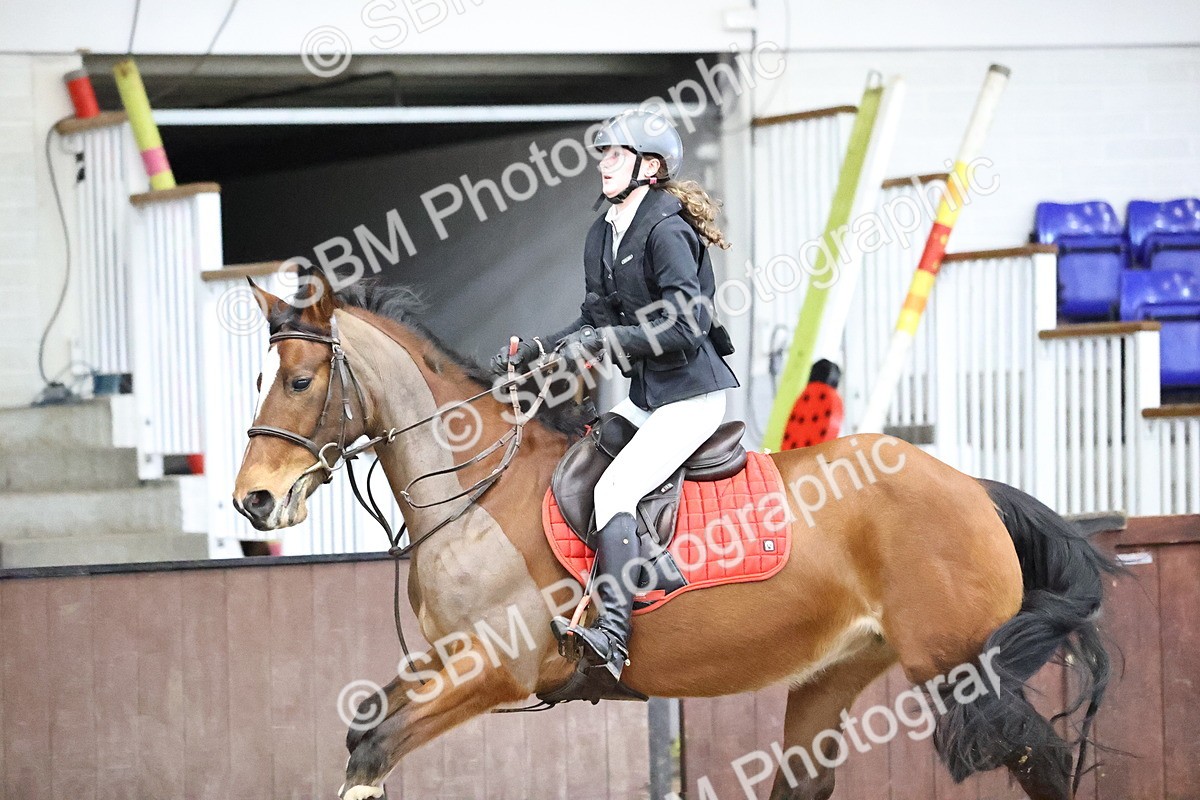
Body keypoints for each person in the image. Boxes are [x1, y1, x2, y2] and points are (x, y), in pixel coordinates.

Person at [491, 109, 740, 681]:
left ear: (648, 168)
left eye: (616, 154)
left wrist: (605, 339)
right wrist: (538, 349)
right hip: (650, 396)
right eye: (603, 153)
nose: (603, 162)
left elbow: (685, 326)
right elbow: (593, 317)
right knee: (583, 455)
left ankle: (614, 634)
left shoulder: (667, 230)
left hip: (691, 396)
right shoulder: (604, 230)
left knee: (616, 486)